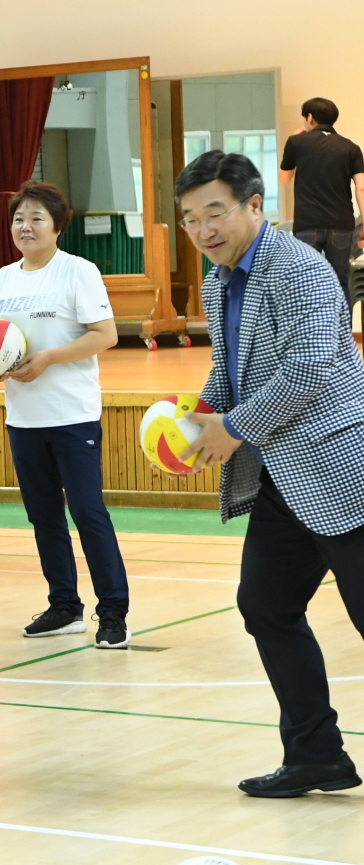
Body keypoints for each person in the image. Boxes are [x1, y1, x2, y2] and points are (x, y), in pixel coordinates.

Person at [176, 150, 364, 798]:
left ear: (255, 206)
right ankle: (316, 753)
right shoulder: (216, 279)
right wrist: (198, 418)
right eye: (191, 219)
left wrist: (231, 429)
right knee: (266, 605)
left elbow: (308, 370)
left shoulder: (302, 270)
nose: (204, 229)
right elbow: (231, 373)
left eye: (216, 212)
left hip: (342, 469)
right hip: (282, 474)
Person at [0, 181, 128, 648]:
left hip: (71, 414)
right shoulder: (3, 279)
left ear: (58, 226)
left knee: (88, 513)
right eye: (19, 219)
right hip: (23, 418)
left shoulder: (77, 272)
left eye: (36, 218)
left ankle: (113, 612)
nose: (25, 227)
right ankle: (65, 606)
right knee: (43, 517)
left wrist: (48, 358)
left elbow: (105, 335)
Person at [278, 96, 364, 305]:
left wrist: (293, 140)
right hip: (341, 225)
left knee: (306, 281)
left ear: (310, 117)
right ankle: (341, 332)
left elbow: (284, 178)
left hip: (307, 223)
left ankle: (310, 334)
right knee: (341, 280)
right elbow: (361, 187)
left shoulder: (297, 142)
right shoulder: (350, 147)